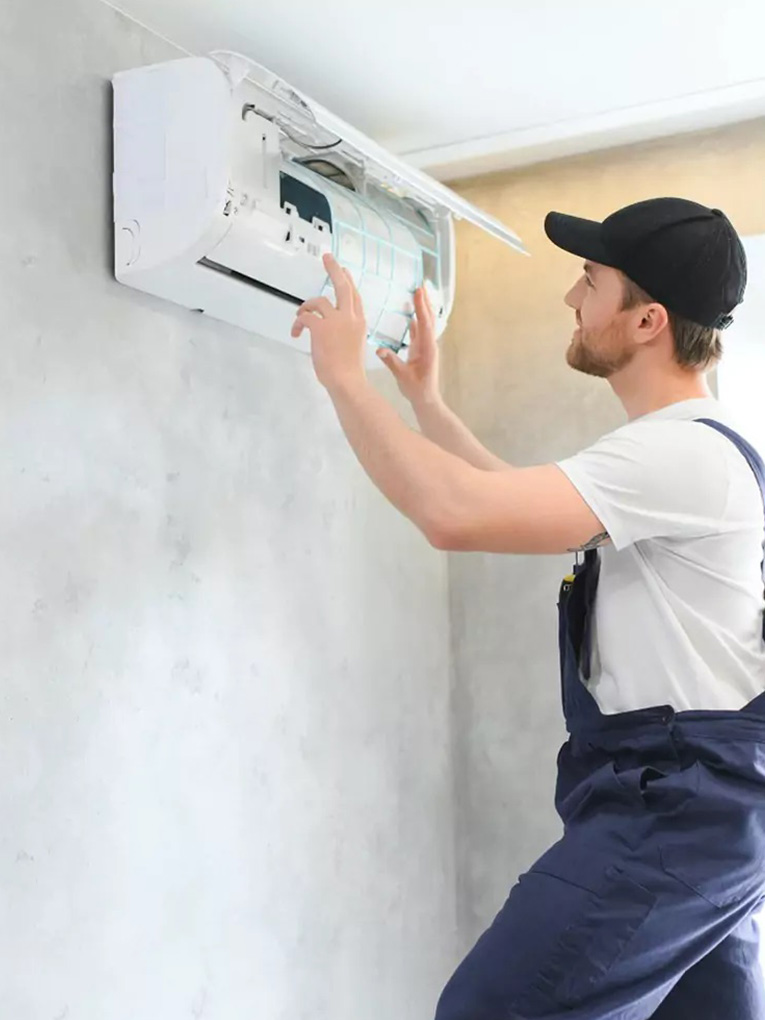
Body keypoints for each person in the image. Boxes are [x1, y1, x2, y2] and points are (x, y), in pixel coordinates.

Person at [291, 197, 765, 1019]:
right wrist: (427, 404)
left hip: (677, 810)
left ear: (646, 320)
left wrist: (342, 377)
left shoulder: (678, 452)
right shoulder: (693, 448)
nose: (570, 299)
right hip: (708, 815)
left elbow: (455, 514)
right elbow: (513, 499)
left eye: (590, 280)